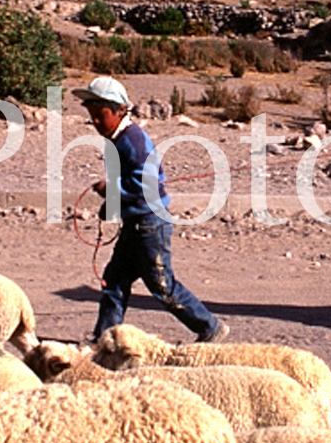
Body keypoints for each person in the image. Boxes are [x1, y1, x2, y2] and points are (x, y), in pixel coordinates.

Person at [77, 75, 227, 344]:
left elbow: (142, 185)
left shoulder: (131, 140)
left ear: (120, 111)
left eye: (100, 115)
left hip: (150, 224)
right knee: (115, 281)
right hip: (135, 224)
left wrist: (110, 190)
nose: (96, 122)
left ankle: (209, 326)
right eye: (92, 116)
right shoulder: (118, 139)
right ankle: (104, 339)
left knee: (162, 285)